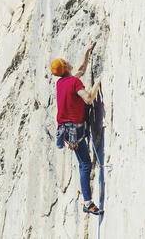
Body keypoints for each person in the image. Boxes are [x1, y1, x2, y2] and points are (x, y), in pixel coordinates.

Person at [51, 41, 103, 215]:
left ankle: (87, 201)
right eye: (65, 61)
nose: (67, 61)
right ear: (65, 67)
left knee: (83, 163)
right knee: (85, 165)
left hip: (66, 130)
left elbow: (81, 69)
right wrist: (97, 85)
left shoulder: (62, 82)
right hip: (76, 130)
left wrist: (87, 51)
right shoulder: (73, 83)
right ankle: (88, 203)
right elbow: (88, 99)